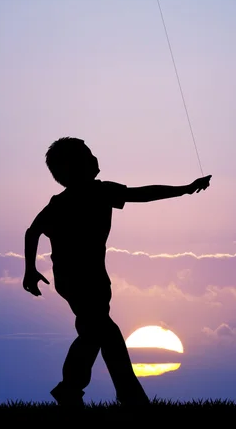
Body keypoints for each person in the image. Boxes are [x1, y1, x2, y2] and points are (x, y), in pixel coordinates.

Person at [23, 137, 212, 407]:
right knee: (102, 333)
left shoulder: (83, 196)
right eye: (87, 155)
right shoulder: (84, 196)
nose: (94, 158)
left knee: (96, 333)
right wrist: (184, 189)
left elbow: (33, 231)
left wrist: (30, 269)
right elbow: (142, 194)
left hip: (84, 278)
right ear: (72, 167)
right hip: (79, 279)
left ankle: (80, 390)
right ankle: (119, 395)